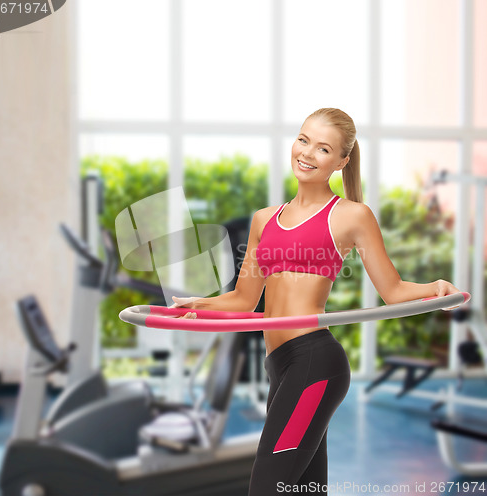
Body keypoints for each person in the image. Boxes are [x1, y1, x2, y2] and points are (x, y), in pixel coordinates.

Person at [171, 108, 460, 495]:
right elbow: (244, 300)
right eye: (304, 140)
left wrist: (436, 288)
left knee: (268, 486)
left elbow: (392, 291)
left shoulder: (351, 216)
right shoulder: (264, 219)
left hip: (314, 364)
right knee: (304, 489)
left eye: (323, 148)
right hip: (279, 365)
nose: (307, 153)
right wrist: (197, 305)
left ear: (341, 162)